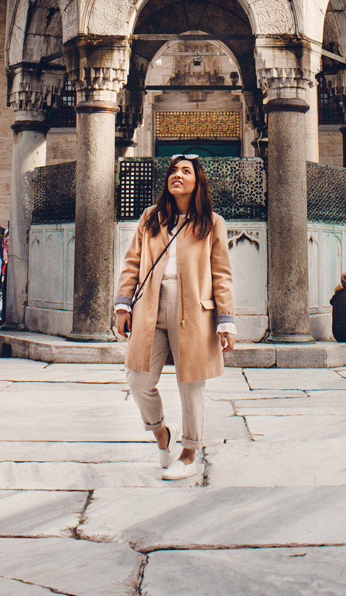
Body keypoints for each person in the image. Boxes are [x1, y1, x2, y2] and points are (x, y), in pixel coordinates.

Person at [115, 155, 235, 479]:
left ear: (197, 182)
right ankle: (162, 434)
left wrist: (226, 320)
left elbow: (221, 273)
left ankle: (189, 452)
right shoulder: (151, 218)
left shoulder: (211, 222)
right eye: (173, 171)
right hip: (150, 307)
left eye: (185, 171)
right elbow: (131, 263)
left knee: (191, 383)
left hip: (194, 310)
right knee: (138, 379)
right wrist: (123, 305)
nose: (177, 175)